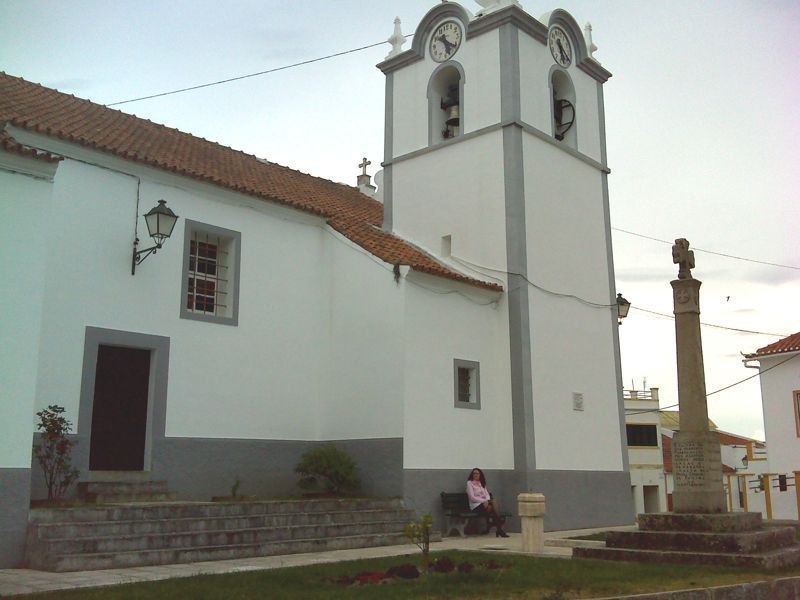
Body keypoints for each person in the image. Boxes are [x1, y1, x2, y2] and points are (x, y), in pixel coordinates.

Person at [466, 467, 508, 537]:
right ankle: (499, 528)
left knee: (493, 503)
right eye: (474, 473)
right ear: (472, 475)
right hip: (476, 506)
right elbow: (472, 497)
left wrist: (487, 501)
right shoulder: (469, 483)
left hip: (485, 505)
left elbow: (487, 495)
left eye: (477, 473)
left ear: (480, 475)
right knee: (493, 508)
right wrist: (483, 501)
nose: (475, 475)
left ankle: (498, 529)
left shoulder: (482, 483)